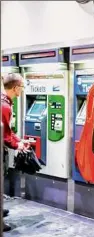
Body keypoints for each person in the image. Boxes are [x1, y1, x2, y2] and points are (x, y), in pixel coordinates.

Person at [1, 73, 28, 232]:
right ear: (15, 87)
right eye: (22, 87)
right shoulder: (4, 106)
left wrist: (19, 141)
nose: (23, 90)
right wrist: (17, 146)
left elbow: (8, 130)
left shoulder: (5, 102)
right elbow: (4, 135)